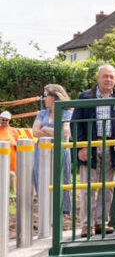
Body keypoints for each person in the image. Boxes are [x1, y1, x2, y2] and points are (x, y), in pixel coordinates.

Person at [72, 64, 115, 234]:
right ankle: (86, 224)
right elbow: (76, 123)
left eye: (112, 77)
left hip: (111, 148)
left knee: (108, 188)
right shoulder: (85, 97)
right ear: (97, 78)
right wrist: (81, 145)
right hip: (90, 146)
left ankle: (101, 222)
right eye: (105, 76)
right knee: (87, 187)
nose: (108, 79)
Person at [32, 85, 73, 214]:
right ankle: (45, 207)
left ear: (54, 97)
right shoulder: (41, 113)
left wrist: (46, 129)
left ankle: (63, 209)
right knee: (40, 176)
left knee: (62, 178)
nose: (44, 98)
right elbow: (34, 132)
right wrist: (55, 132)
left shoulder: (67, 113)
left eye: (46, 96)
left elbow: (66, 132)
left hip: (60, 150)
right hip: (42, 150)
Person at [0, 111, 17, 190]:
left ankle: (12, 191)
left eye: (6, 120)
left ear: (9, 121)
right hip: (1, 158)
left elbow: (18, 144)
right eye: (2, 119)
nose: (4, 121)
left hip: (12, 159)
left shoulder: (13, 131)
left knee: (12, 176)